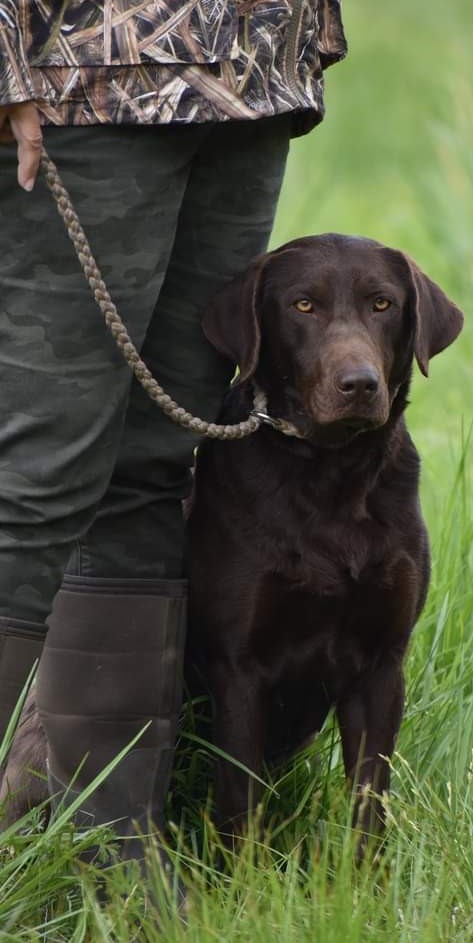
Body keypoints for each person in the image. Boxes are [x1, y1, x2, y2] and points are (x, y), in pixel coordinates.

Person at [0, 0, 346, 859]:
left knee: (154, 461)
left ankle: (106, 851)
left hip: (253, 74)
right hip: (76, 73)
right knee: (36, 478)